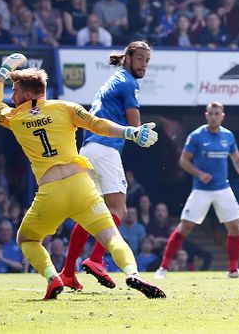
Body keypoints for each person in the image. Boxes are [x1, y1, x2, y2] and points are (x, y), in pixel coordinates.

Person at [0, 55, 163, 299]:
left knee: (26, 239)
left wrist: (3, 72)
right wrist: (130, 132)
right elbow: (98, 125)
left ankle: (53, 278)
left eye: (15, 92)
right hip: (81, 186)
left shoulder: (15, 117)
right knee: (112, 236)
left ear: (27, 94)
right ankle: (133, 274)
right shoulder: (66, 107)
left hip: (50, 192)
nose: (12, 97)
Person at [61, 42, 152, 291]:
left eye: (147, 60)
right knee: (118, 209)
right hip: (105, 149)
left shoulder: (113, 80)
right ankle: (96, 259)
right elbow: (134, 125)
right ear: (128, 58)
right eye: (140, 59)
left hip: (88, 149)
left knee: (90, 215)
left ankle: (68, 273)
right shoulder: (129, 83)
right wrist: (142, 134)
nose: (144, 65)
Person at [156, 102, 239, 279]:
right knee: (185, 226)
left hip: (223, 188)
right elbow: (183, 161)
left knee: (235, 227)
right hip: (201, 189)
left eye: (217, 113)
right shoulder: (196, 136)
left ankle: (233, 270)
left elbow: (237, 159)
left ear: (222, 116)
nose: (213, 117)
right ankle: (163, 268)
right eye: (210, 113)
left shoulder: (228, 136)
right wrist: (200, 174)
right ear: (206, 115)